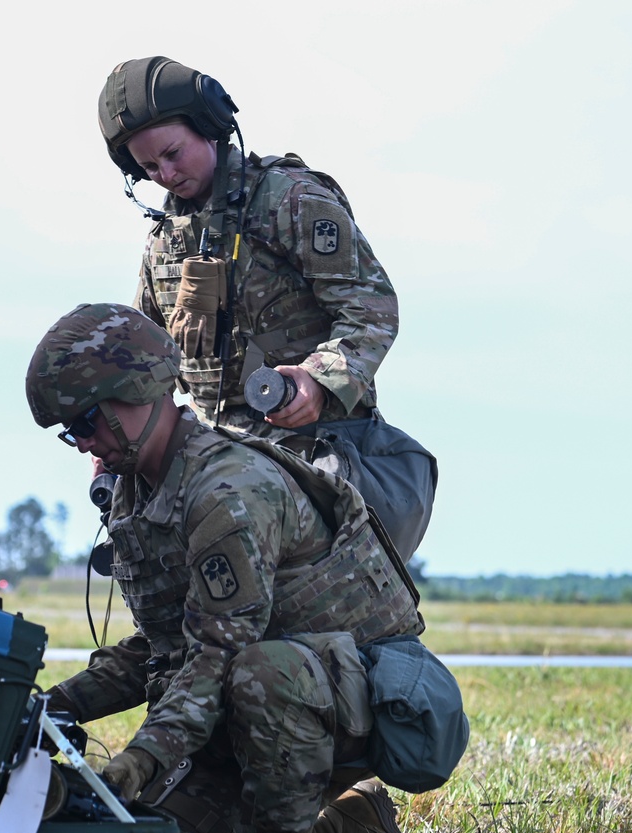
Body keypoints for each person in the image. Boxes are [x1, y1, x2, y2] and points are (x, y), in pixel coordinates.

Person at [26, 302, 433, 833]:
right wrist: (53, 708)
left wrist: (139, 760)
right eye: (72, 432)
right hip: (251, 708)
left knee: (263, 673)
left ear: (138, 391)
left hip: (345, 703)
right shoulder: (140, 490)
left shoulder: (228, 492)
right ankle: (345, 829)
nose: (83, 445)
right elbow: (164, 646)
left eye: (86, 423)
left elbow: (217, 658)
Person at [97, 56, 437, 563]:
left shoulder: (290, 200)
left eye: (172, 154)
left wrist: (318, 382)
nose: (165, 175)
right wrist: (111, 439)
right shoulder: (163, 243)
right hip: (213, 469)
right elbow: (146, 362)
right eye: (148, 168)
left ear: (211, 128)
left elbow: (371, 307)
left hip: (310, 458)